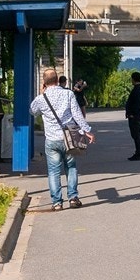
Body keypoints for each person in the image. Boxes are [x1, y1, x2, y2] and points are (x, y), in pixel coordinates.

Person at [31, 66, 94, 211]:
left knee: (53, 170)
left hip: (52, 139)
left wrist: (42, 93)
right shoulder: (68, 94)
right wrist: (87, 130)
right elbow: (77, 114)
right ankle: (72, 198)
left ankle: (57, 203)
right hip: (68, 138)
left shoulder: (41, 98)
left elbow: (32, 111)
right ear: (58, 80)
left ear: (44, 82)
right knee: (71, 167)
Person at [126, 71, 140, 160]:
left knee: (136, 135)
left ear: (134, 79)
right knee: (135, 135)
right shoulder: (139, 89)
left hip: (135, 116)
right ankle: (138, 152)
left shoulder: (137, 90)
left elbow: (137, 104)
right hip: (136, 115)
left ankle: (139, 153)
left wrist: (132, 114)